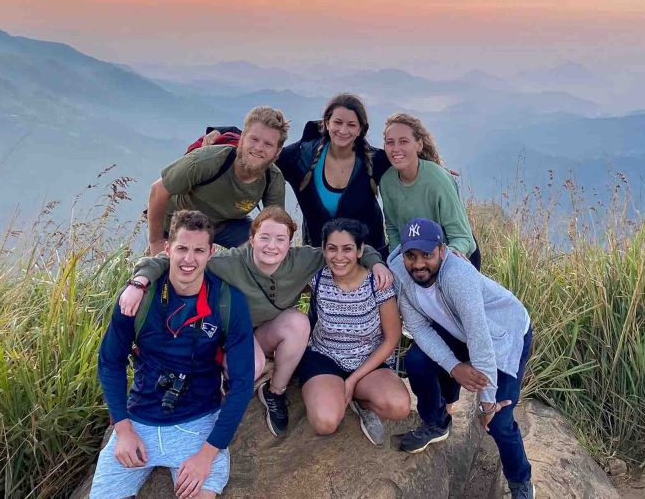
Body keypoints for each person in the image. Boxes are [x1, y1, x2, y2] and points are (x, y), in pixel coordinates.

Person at [120, 206, 394, 439]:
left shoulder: (306, 259)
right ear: (251, 238)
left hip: (265, 332)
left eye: (280, 239)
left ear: (290, 241)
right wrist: (139, 281)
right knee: (250, 367)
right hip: (232, 335)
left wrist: (377, 263)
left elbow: (354, 247)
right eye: (264, 237)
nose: (272, 246)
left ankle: (275, 392)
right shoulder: (229, 262)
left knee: (298, 322)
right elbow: (171, 259)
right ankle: (218, 390)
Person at [93, 210, 255, 499]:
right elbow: (110, 361)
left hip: (198, 423)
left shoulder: (228, 301)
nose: (188, 259)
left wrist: (207, 454)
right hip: (139, 419)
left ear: (210, 253)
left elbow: (242, 383)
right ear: (167, 249)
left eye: (198, 250)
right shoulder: (138, 298)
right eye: (181, 248)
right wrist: (123, 429)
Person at [390, 218, 534, 499]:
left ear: (442, 251)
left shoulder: (458, 278)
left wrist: (487, 402)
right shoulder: (402, 276)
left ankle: (521, 484)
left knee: (499, 421)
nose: (418, 264)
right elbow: (418, 328)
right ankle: (436, 422)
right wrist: (455, 368)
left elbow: (480, 338)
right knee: (417, 361)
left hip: (503, 333)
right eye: (411, 255)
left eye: (427, 255)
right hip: (457, 330)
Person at [203, 93, 391, 254]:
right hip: (319, 258)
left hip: (368, 257)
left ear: (360, 129)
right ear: (326, 123)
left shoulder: (374, 160)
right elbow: (264, 150)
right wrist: (224, 132)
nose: (343, 130)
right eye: (338, 122)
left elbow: (408, 162)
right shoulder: (302, 157)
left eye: (351, 125)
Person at [297, 218, 410, 445]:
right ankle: (335, 393)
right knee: (325, 422)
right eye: (332, 249)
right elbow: (281, 293)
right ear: (324, 250)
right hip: (324, 357)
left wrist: (352, 380)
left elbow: (392, 338)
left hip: (368, 361)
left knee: (399, 407)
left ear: (360, 251)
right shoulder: (317, 278)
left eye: (347, 249)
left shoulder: (377, 283)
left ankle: (360, 399)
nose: (339, 257)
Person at [146, 106, 289, 255]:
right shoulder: (206, 160)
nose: (259, 147)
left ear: (277, 152)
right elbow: (158, 190)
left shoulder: (273, 179)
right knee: (163, 271)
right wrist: (156, 242)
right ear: (242, 138)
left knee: (264, 249)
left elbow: (275, 224)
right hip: (179, 221)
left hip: (226, 224)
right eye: (254, 139)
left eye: (268, 144)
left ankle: (230, 276)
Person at [380, 113, 480, 268]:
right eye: (390, 142)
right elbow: (393, 230)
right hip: (415, 262)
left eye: (404, 141)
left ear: (419, 144)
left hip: (453, 258)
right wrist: (397, 264)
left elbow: (462, 237)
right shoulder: (387, 182)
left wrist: (442, 262)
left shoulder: (438, 180)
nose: (395, 148)